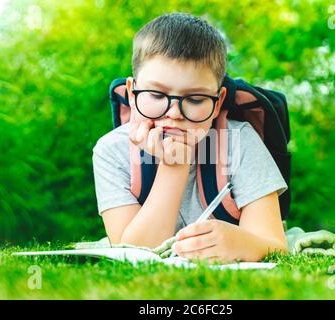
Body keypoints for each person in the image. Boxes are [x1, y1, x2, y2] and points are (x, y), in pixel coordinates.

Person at [92, 12, 288, 263]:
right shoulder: (111, 151)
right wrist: (175, 165)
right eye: (156, 95)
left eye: (195, 99)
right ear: (132, 94)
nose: (174, 113)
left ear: (217, 104)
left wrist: (241, 243)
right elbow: (133, 253)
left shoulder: (240, 142)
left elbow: (274, 245)